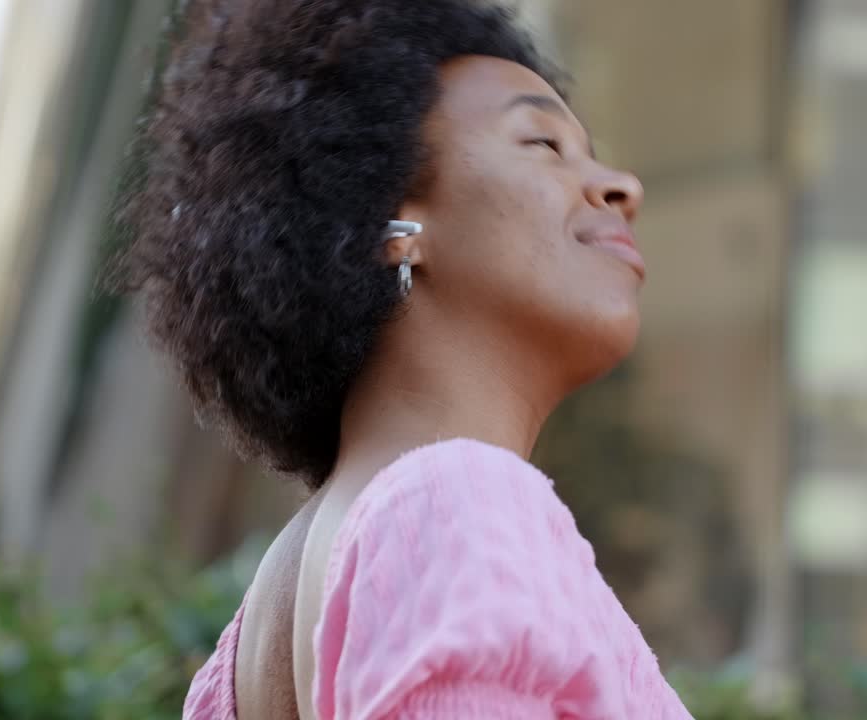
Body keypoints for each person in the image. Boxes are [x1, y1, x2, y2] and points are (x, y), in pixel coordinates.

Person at [109, 0, 692, 717]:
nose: (620, 187)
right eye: (542, 144)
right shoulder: (456, 506)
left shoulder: (259, 629)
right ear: (392, 223)